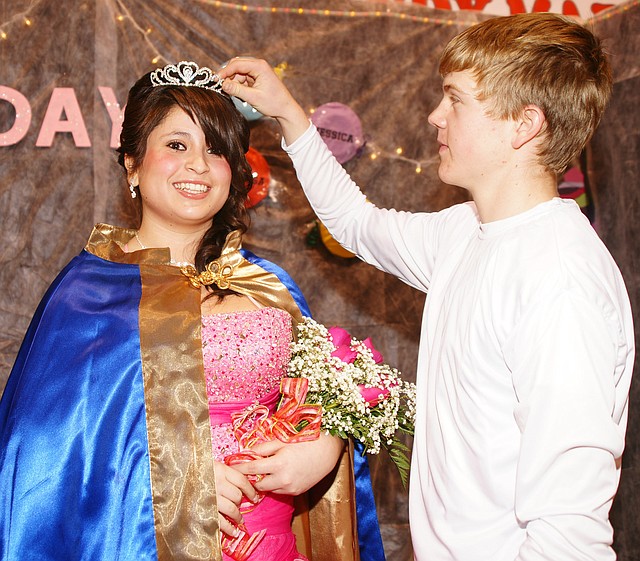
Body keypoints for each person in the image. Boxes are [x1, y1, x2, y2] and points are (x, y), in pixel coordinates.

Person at [217, 13, 635, 561]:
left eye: (455, 100)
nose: (435, 116)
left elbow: (568, 534)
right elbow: (354, 223)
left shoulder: (558, 282)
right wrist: (289, 115)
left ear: (523, 125)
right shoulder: (465, 233)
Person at [0, 61, 358, 561]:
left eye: (215, 150)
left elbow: (332, 388)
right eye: (176, 145)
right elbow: (46, 455)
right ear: (131, 164)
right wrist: (175, 484)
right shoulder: (88, 296)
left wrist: (330, 443)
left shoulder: (270, 287)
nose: (197, 165)